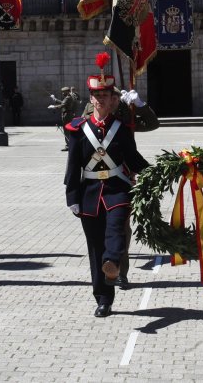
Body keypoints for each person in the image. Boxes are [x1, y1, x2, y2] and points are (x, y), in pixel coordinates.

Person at [63, 55, 150, 318]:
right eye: (96, 96)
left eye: (105, 96)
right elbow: (73, 165)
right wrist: (71, 196)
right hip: (89, 193)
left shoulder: (122, 129)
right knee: (94, 247)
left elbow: (133, 159)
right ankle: (103, 299)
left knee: (116, 231)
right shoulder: (78, 130)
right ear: (91, 99)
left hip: (117, 189)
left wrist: (155, 172)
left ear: (113, 99)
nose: (101, 100)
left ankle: (112, 262)